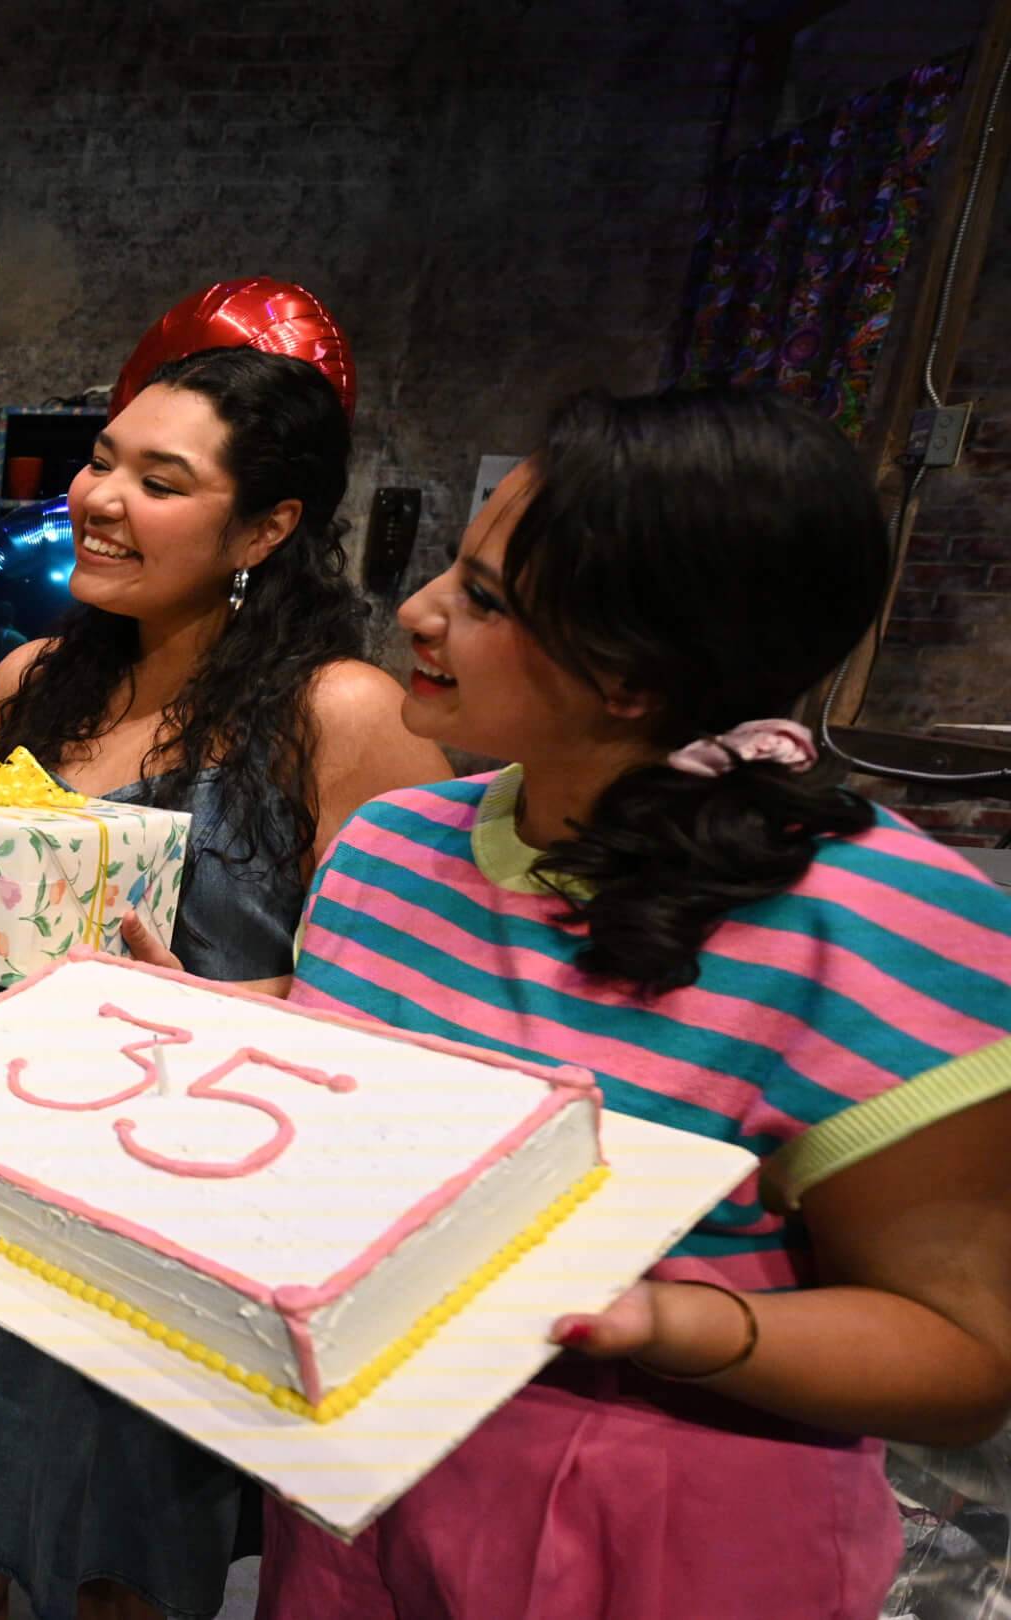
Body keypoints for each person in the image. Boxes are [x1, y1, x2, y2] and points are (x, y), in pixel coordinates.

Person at [264, 388, 1011, 1618]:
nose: (417, 612)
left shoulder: (882, 926)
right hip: (354, 1497)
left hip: (663, 1526)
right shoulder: (390, 849)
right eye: (456, 566)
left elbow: (963, 1356)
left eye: (487, 598)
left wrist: (666, 1320)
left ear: (631, 671)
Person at [0, 346, 447, 1620]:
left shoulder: (345, 714)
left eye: (162, 480)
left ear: (267, 526)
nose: (103, 498)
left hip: (184, 1229)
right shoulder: (25, 684)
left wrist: (208, 1013)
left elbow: (412, 1024)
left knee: (118, 1572)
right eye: (104, 461)